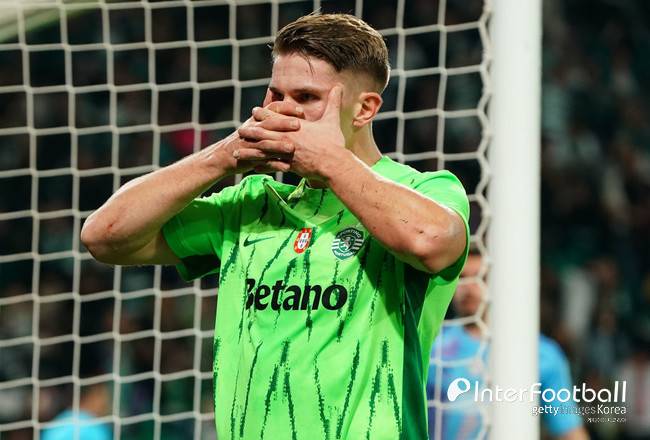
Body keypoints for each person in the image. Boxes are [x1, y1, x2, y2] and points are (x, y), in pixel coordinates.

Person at [81, 13, 469, 439]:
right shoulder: (250, 205)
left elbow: (430, 240)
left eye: (307, 97)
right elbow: (105, 236)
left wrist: (330, 161)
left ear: (364, 109)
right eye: (277, 94)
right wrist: (222, 157)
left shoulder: (425, 190)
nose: (284, 110)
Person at [427, 251, 590, 440]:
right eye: (461, 277)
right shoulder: (433, 345)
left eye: (482, 277)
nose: (469, 287)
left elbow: (569, 431)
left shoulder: (540, 354)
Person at [41, 383, 111, 440]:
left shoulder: (54, 424)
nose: (105, 402)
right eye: (101, 396)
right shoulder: (94, 426)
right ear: (90, 397)